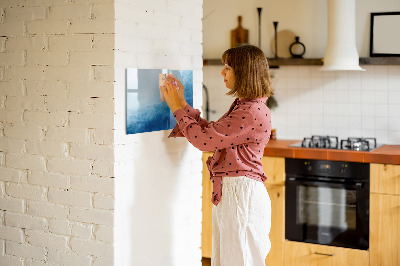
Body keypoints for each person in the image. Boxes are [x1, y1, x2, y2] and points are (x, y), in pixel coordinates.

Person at [161, 44, 273, 266]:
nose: (222, 72)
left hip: (241, 195)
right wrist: (182, 104)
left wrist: (176, 108)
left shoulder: (250, 111)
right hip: (236, 193)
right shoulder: (246, 106)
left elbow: (204, 141)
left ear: (244, 72)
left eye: (228, 67)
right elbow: (212, 133)